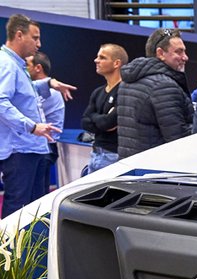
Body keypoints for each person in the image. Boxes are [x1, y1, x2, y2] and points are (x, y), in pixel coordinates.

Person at [0, 14, 76, 218]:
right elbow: (1, 102)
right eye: (35, 38)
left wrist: (48, 83)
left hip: (28, 148)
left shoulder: (15, 63)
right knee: (18, 211)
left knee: (32, 209)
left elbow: (23, 92)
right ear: (19, 35)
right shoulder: (6, 64)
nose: (39, 44)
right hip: (20, 149)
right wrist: (32, 126)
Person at [117, 28, 193, 159]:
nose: (185, 57)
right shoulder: (164, 85)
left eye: (184, 51)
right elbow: (178, 139)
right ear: (160, 53)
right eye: (178, 52)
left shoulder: (127, 82)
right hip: (156, 165)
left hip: (131, 164)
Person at [81, 44, 128, 174]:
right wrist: (102, 119)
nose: (96, 60)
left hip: (114, 156)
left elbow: (108, 123)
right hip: (95, 154)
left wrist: (94, 117)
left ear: (116, 63)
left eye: (102, 57)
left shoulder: (125, 91)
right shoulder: (97, 92)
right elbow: (85, 122)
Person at [26, 51, 64, 194]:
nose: (23, 69)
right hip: (40, 147)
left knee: (37, 194)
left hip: (45, 148)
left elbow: (27, 113)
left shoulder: (50, 92)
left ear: (38, 68)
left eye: (27, 65)